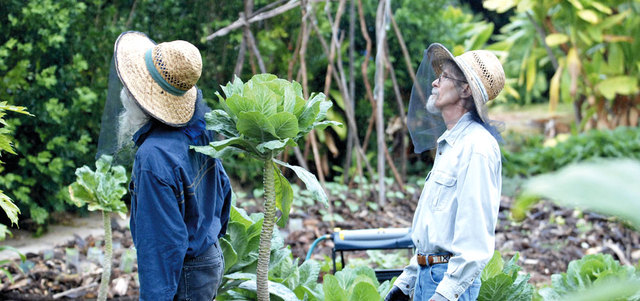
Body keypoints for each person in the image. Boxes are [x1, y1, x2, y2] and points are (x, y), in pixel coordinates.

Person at [113, 31, 232, 300]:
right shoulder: (199, 125)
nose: (124, 94)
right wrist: (209, 233)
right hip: (208, 258)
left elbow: (160, 245)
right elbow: (223, 187)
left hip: (185, 273)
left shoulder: (153, 157)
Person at [386, 43, 505, 301]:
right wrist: (406, 282)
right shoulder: (451, 144)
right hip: (426, 278)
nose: (434, 83)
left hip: (447, 285)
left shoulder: (477, 148)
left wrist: (444, 295)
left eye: (444, 77)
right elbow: (436, 231)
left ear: (465, 89)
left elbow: (474, 240)